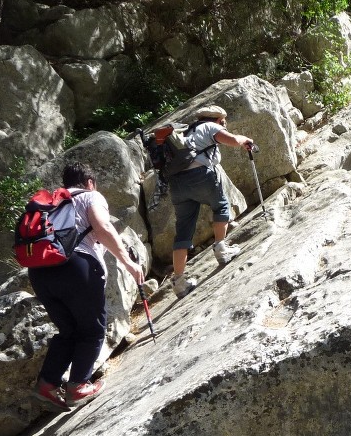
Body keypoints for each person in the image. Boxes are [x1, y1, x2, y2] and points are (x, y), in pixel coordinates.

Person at [30, 162, 145, 410]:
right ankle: (78, 386)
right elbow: (103, 228)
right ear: (89, 182)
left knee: (69, 331)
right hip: (76, 268)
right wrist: (128, 263)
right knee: (92, 330)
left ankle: (46, 386)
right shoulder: (89, 196)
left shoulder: (50, 204)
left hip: (39, 274)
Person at [167, 105, 254, 298]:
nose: (224, 123)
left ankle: (179, 282)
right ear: (217, 119)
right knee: (221, 205)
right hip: (200, 175)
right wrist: (245, 140)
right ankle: (222, 249)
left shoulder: (185, 132)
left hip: (176, 184)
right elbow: (231, 140)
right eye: (223, 120)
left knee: (183, 230)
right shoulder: (210, 127)